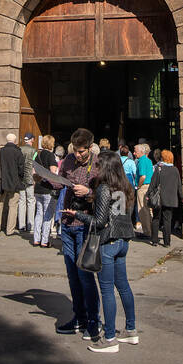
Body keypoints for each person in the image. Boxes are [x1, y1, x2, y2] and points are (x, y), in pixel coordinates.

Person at [69, 152, 137, 352]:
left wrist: (77, 214)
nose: (96, 169)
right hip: (123, 241)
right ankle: (131, 330)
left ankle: (109, 339)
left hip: (108, 242)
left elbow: (99, 222)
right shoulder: (125, 187)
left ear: (106, 167)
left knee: (107, 290)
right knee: (123, 287)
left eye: (98, 165)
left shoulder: (104, 189)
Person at [54, 128, 101, 338]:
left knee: (85, 276)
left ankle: (94, 320)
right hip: (67, 222)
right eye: (75, 151)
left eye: (82, 151)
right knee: (72, 275)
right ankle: (79, 317)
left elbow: (108, 192)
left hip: (84, 224)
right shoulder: (68, 161)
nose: (78, 155)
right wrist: (43, 179)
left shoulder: (99, 164)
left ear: (90, 147)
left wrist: (88, 191)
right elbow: (59, 181)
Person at [0, 132, 27, 235]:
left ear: (6, 140)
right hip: (14, 183)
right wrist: (20, 178)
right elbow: (21, 169)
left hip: (1, 182)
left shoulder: (0, 151)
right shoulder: (18, 152)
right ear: (15, 141)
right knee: (13, 206)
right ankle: (10, 230)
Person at [147, 150, 182, 247]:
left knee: (156, 218)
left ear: (163, 158)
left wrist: (148, 194)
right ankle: (167, 242)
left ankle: (154, 240)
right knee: (167, 220)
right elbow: (179, 185)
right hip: (170, 198)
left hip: (159, 198)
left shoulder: (159, 169)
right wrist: (181, 196)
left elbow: (153, 184)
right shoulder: (175, 170)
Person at [31, 136, 58, 248]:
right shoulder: (51, 155)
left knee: (39, 214)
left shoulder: (38, 155)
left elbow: (33, 172)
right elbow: (52, 172)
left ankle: (36, 239)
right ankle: (44, 240)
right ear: (51, 144)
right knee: (47, 215)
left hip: (38, 188)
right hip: (47, 188)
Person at [134, 143, 154, 237]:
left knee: (142, 210)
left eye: (135, 151)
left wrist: (138, 186)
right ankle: (151, 230)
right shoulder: (149, 160)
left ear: (141, 152)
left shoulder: (141, 161)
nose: (134, 153)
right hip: (149, 186)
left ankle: (147, 232)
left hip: (143, 187)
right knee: (149, 210)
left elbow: (143, 176)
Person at [18, 134, 36, 234]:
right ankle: (30, 225)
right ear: (32, 140)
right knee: (31, 201)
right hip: (30, 178)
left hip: (21, 178)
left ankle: (21, 225)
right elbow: (34, 165)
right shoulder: (34, 151)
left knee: (21, 201)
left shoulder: (19, 149)